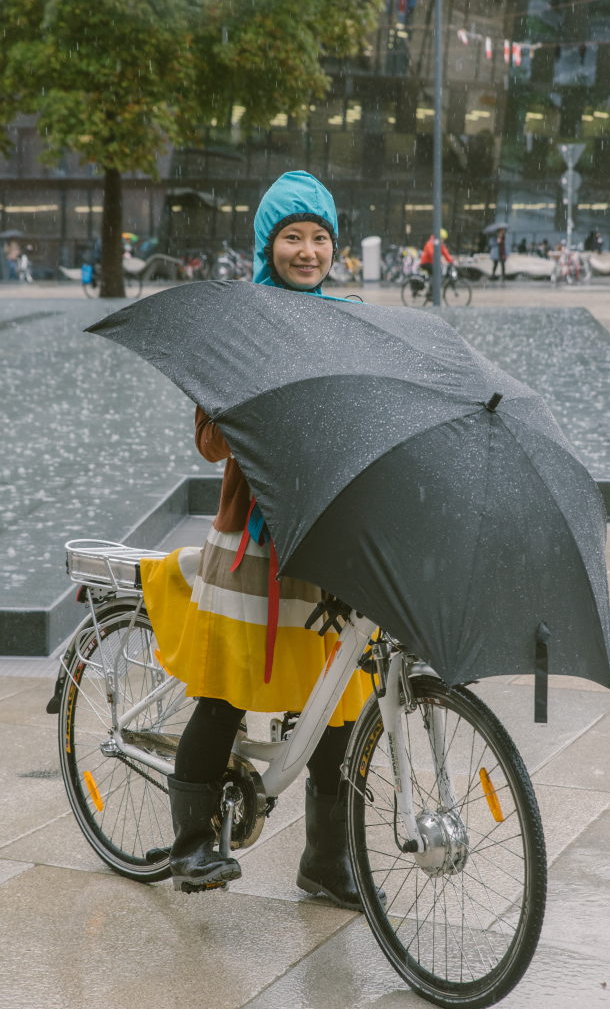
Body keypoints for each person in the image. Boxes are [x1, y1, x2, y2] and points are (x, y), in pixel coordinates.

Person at [140, 171, 374, 906]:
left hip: (328, 537)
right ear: (266, 245)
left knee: (339, 705)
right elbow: (210, 441)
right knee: (225, 692)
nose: (308, 251)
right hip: (255, 543)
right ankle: (193, 843)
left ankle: (326, 863)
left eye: (319, 237)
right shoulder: (240, 322)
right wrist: (259, 404)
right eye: (292, 236)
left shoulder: (353, 320)